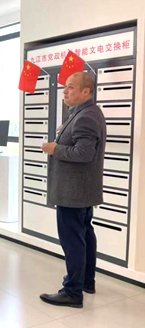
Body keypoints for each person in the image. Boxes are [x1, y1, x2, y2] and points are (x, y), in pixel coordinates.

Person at [40, 71, 106, 308]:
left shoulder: (85, 117)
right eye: (65, 87)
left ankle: (72, 292)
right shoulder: (86, 113)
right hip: (82, 190)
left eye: (70, 87)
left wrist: (55, 148)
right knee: (84, 235)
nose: (65, 91)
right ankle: (86, 281)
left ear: (86, 91)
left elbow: (84, 153)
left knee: (73, 240)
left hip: (73, 192)